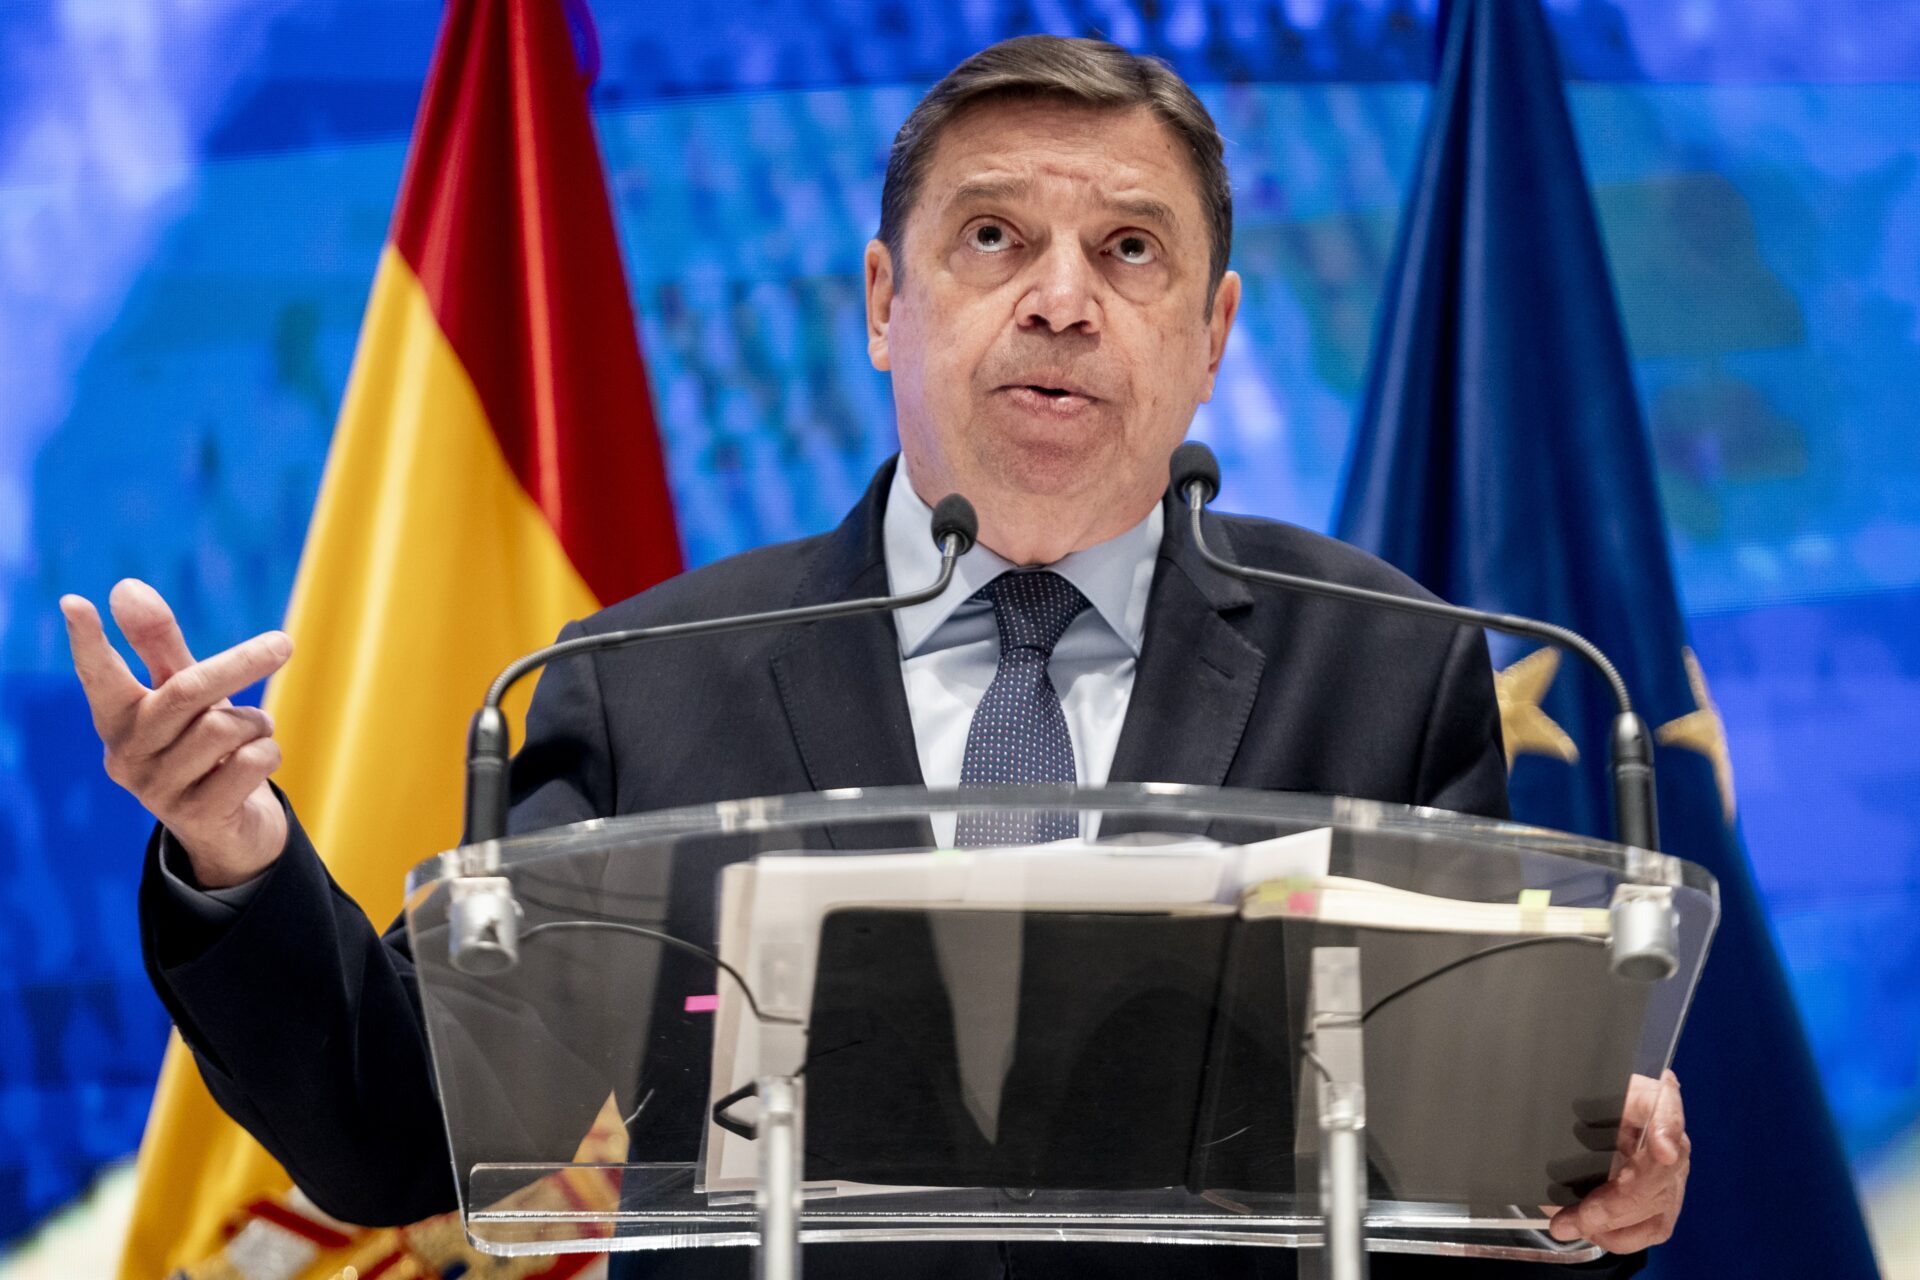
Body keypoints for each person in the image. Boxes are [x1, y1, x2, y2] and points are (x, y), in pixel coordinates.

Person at [62, 35, 1688, 1280]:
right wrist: (234, 849)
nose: (1062, 301)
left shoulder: (1384, 664)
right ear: (882, 304)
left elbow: (1477, 1189)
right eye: (993, 238)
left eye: (1132, 251)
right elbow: (398, 1131)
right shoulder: (653, 676)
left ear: (1213, 338)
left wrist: (1589, 1199)